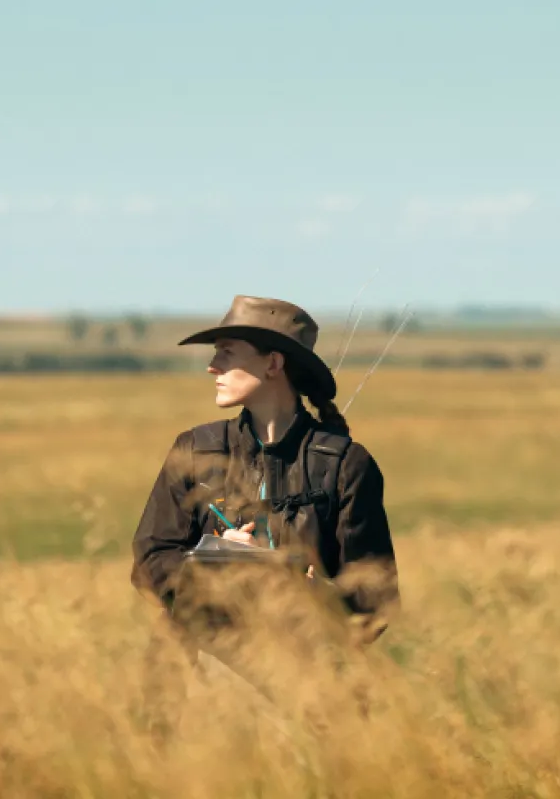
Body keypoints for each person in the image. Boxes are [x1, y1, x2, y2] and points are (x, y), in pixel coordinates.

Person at [129, 295, 400, 694]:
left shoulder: (345, 465)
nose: (212, 366)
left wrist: (315, 598)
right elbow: (149, 562)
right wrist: (213, 562)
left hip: (314, 694)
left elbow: (375, 601)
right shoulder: (194, 449)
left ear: (273, 364)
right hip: (203, 691)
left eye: (227, 353)